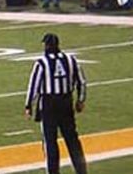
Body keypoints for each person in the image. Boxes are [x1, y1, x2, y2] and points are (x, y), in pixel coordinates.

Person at [24, 33, 88, 174]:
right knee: (72, 140)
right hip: (66, 102)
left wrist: (28, 105)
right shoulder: (71, 60)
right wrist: (80, 100)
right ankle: (81, 171)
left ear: (46, 46)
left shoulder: (41, 63)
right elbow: (82, 81)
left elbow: (34, 86)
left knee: (50, 142)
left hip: (49, 104)